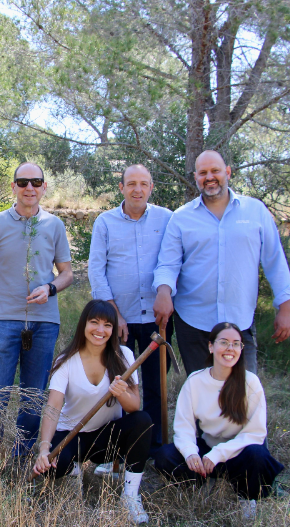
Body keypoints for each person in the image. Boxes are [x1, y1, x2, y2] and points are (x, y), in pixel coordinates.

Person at [0, 162, 73, 457]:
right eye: (23, 182)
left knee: (34, 395)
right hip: (3, 320)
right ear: (13, 186)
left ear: (44, 187)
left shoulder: (54, 225)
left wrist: (50, 288)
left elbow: (67, 273)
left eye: (36, 182)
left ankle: (22, 455)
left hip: (44, 322)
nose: (29, 188)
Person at [153, 150, 290, 375]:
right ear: (196, 177)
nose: (209, 177)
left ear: (227, 172)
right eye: (203, 172)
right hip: (193, 321)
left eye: (215, 171)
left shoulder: (255, 211)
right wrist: (163, 292)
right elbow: (168, 264)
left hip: (239, 321)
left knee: (241, 396)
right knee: (200, 396)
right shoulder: (181, 217)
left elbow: (274, 260)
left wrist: (284, 308)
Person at [32, 300, 153, 524]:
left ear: (114, 329)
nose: (100, 330)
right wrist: (44, 447)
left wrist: (121, 393)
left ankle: (130, 496)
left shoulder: (124, 355)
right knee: (52, 469)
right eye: (94, 322)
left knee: (143, 421)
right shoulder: (66, 361)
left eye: (107, 325)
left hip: (107, 438)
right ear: (83, 325)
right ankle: (74, 468)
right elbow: (52, 407)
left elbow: (134, 406)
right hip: (72, 435)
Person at [152, 322, 284, 516]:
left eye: (236, 343)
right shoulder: (196, 381)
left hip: (238, 453)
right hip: (206, 452)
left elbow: (255, 433)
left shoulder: (250, 382)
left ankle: (247, 497)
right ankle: (202, 481)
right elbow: (184, 427)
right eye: (224, 342)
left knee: (258, 455)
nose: (230, 348)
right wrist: (191, 454)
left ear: (241, 349)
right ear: (211, 346)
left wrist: (218, 454)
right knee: (165, 456)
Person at [88, 163, 173, 453]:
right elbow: (97, 271)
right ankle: (121, 448)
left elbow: (172, 262)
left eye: (144, 183)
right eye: (131, 183)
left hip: (155, 318)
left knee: (154, 384)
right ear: (121, 187)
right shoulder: (105, 222)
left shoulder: (167, 219)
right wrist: (114, 315)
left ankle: (154, 446)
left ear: (151, 187)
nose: (138, 189)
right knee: (120, 383)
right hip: (118, 320)